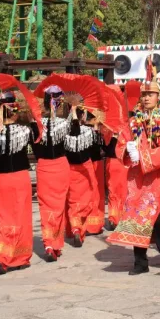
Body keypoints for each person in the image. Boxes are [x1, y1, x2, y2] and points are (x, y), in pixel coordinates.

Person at [107, 60, 160, 275]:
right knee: (134, 217)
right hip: (136, 178)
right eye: (144, 95)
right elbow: (121, 144)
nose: (146, 98)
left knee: (157, 218)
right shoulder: (132, 122)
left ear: (159, 97)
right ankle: (140, 262)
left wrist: (144, 156)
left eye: (151, 95)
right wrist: (126, 151)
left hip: (156, 176)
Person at [0, 97, 34, 275]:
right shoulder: (25, 130)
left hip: (3, 179)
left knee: (5, 217)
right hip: (20, 177)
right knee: (21, 217)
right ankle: (20, 257)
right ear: (15, 113)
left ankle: (3, 257)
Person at [30, 86, 71, 261]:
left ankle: (48, 243)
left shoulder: (35, 124)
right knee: (59, 207)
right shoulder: (64, 123)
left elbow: (35, 148)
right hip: (61, 166)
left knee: (46, 207)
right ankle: (55, 243)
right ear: (59, 102)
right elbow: (73, 136)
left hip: (44, 168)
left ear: (45, 102)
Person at [63, 104, 98, 247]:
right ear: (82, 115)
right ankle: (80, 229)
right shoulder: (89, 131)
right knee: (86, 201)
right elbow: (95, 148)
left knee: (72, 201)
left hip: (70, 169)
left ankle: (75, 228)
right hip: (85, 168)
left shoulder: (64, 133)